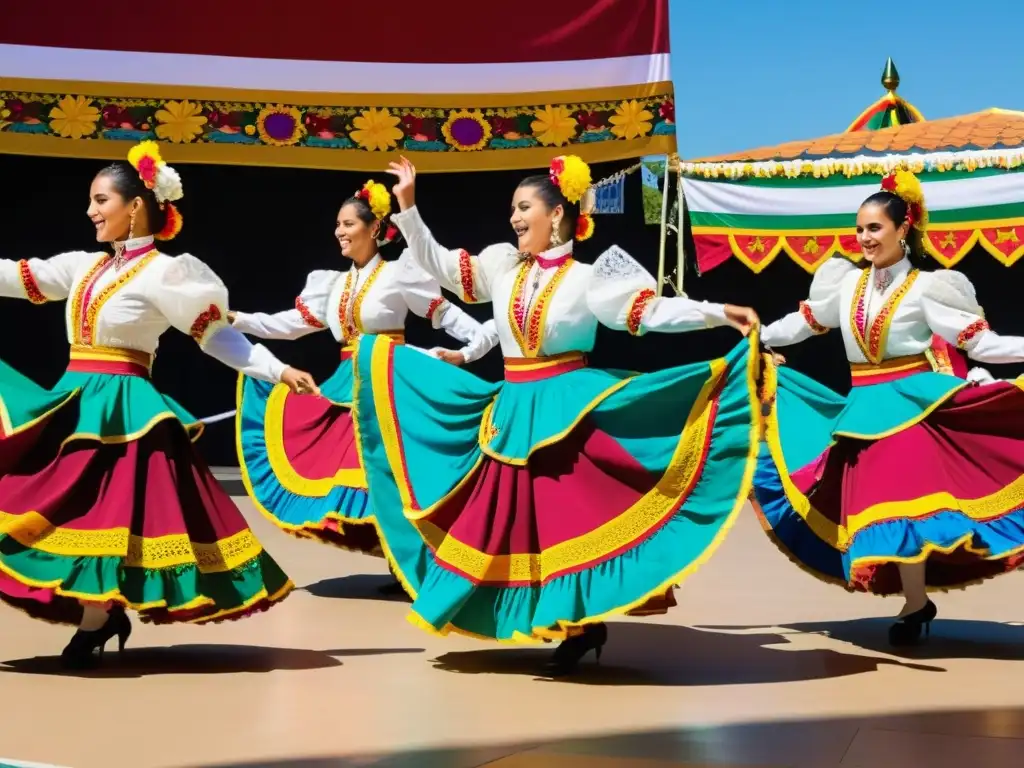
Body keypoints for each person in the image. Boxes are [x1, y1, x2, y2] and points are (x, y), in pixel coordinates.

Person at [346, 154, 761, 676]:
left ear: (557, 215)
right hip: (514, 409)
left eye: (524, 208)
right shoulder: (501, 266)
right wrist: (408, 207)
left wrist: (718, 312)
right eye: (513, 210)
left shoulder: (591, 278)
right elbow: (443, 266)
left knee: (568, 519)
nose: (515, 219)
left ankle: (580, 624)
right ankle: (559, 621)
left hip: (568, 406)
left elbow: (650, 313)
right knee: (519, 523)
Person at [0, 141, 319, 669]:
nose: (90, 211)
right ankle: (99, 619)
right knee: (59, 506)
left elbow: (216, 337)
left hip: (124, 412)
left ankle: (96, 620)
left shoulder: (167, 274)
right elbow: (14, 275)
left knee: (104, 520)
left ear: (136, 207)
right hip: (76, 403)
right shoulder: (83, 266)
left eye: (101, 200)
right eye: (91, 201)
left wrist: (277, 370)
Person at [756, 169, 1024, 646]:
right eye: (859, 229)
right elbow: (803, 323)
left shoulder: (928, 287)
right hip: (862, 411)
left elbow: (980, 343)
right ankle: (917, 603)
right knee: (882, 511)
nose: (864, 238)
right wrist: (755, 337)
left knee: (906, 508)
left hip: (913, 409)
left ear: (904, 228)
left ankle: (916, 601)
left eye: (874, 228)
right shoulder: (843, 284)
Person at [231, 179, 496, 574]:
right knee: (361, 474)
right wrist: (238, 319)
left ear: (374, 228)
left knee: (396, 473)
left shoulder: (399, 273)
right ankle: (398, 558)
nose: (340, 231)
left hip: (392, 387)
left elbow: (446, 316)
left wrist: (470, 349)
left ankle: (421, 561)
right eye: (338, 224)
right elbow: (289, 324)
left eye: (349, 223)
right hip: (349, 387)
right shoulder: (333, 283)